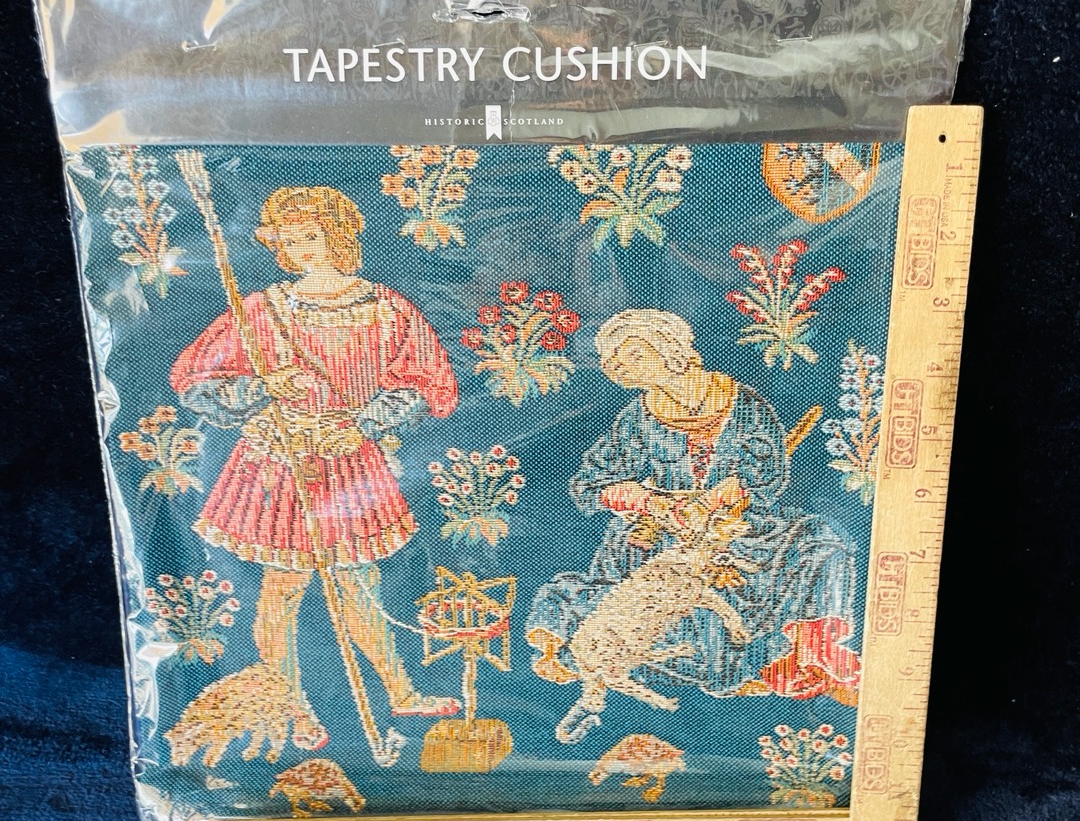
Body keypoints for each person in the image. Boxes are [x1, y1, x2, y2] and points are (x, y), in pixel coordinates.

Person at [171, 185, 461, 729]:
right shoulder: (262, 309)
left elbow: (426, 382)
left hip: (349, 460)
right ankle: (290, 706)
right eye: (289, 239)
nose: (300, 248)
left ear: (338, 235)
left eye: (310, 235)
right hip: (279, 462)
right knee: (283, 588)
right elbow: (196, 381)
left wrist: (363, 423)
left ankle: (400, 691)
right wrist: (265, 387)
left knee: (360, 584)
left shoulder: (386, 308)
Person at [527, 309, 860, 744]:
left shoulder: (744, 405)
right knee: (660, 596)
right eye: (613, 360)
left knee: (824, 540)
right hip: (659, 536)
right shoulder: (636, 417)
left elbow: (768, 475)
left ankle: (812, 654)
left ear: (669, 350)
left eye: (631, 355)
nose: (619, 367)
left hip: (739, 527)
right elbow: (592, 484)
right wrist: (652, 502)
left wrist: (718, 498)